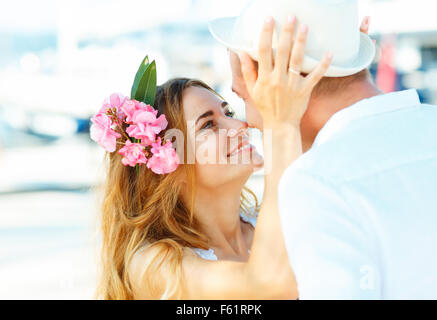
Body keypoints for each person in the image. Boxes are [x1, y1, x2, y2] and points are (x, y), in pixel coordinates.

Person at [95, 18, 331, 297]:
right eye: (208, 125)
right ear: (168, 165)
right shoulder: (155, 264)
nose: (240, 126)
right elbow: (268, 286)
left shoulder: (265, 222)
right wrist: (281, 126)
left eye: (228, 113)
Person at [219, 1, 437, 299]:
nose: (249, 121)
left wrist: (284, 130)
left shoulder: (318, 182)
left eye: (242, 98)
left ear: (277, 84)